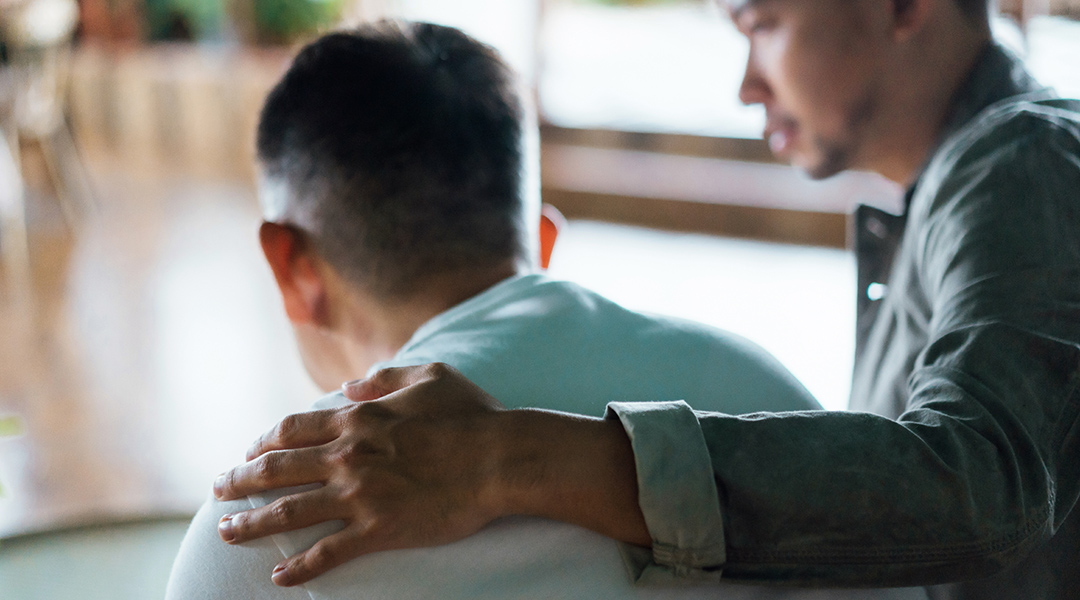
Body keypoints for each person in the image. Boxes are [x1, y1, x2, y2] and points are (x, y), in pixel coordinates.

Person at [212, 1, 1080, 598]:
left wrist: (502, 458)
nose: (747, 83)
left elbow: (986, 481)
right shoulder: (961, 191)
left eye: (764, 22)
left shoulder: (1021, 158)